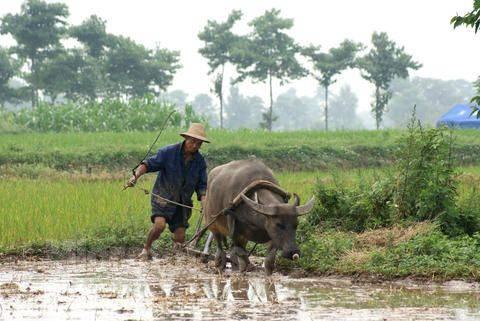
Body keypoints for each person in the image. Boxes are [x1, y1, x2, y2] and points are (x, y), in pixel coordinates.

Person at [126, 123, 209, 260]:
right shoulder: (168, 152)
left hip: (183, 203)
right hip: (163, 197)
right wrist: (135, 177)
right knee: (159, 226)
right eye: (193, 141)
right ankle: (146, 249)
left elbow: (202, 186)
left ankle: (175, 259)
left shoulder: (200, 162)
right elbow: (147, 164)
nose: (195, 146)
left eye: (199, 143)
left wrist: (204, 204)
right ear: (186, 138)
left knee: (180, 237)